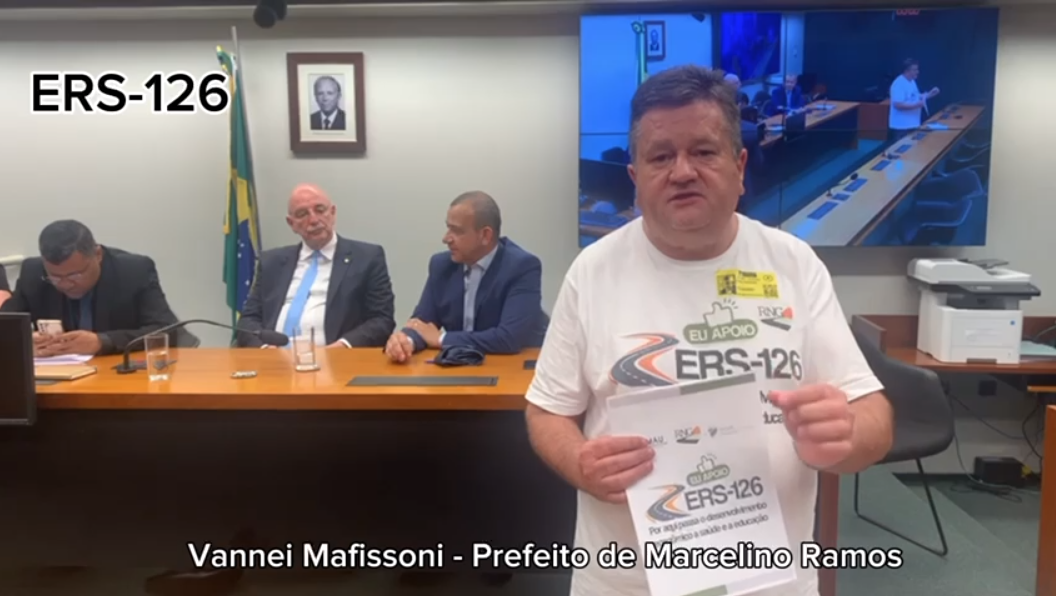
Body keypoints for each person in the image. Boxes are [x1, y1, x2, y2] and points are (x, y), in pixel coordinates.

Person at [523, 65, 894, 596]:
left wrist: (848, 435)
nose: (682, 172)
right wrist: (579, 462)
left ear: (739, 166)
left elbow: (872, 415)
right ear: (635, 177)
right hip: (624, 583)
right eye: (660, 157)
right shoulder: (592, 271)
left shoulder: (794, 264)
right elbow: (547, 410)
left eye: (703, 151)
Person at [385, 191, 549, 363]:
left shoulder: (521, 267)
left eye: (456, 231)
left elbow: (509, 338)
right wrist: (406, 341)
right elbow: (422, 324)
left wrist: (442, 339)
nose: (446, 238)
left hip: (511, 367)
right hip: (457, 365)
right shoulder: (441, 265)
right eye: (448, 228)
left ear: (485, 235)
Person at [237, 184, 395, 348]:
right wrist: (264, 349)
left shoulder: (366, 258)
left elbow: (381, 319)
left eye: (320, 210)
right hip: (272, 359)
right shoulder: (271, 262)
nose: (313, 220)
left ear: (332, 213)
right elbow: (248, 320)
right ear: (291, 223)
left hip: (337, 358)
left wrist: (343, 346)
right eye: (302, 214)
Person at [1, 220, 181, 356]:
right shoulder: (32, 272)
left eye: (75, 275)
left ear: (98, 255)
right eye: (55, 277)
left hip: (119, 375)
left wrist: (102, 342)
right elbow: (5, 325)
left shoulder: (133, 271)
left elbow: (167, 330)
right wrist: (23, 342)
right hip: (59, 379)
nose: (65, 284)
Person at [889, 58, 939, 140]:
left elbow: (915, 97)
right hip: (902, 127)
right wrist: (916, 105)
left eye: (917, 69)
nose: (917, 72)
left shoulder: (912, 82)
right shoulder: (898, 84)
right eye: (915, 70)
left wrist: (930, 94)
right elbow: (898, 105)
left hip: (912, 125)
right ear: (907, 71)